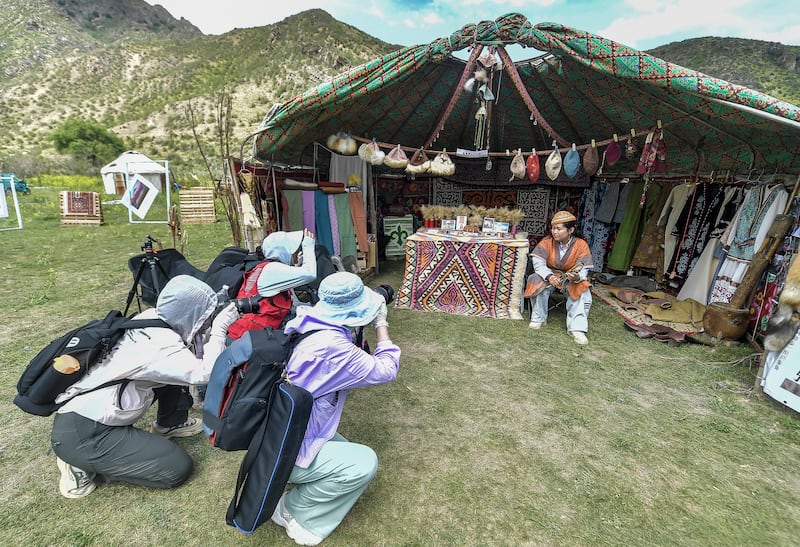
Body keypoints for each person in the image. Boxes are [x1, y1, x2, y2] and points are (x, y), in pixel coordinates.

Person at [50, 275, 240, 499]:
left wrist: (210, 329)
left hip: (87, 411)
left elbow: (189, 357)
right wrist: (219, 330)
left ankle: (170, 423)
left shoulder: (154, 318)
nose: (208, 319)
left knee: (175, 376)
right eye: (206, 315)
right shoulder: (161, 348)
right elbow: (204, 373)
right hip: (85, 431)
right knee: (176, 468)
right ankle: (79, 464)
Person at [270, 271, 401, 545]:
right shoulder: (332, 347)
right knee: (363, 463)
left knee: (341, 447)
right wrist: (381, 324)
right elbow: (386, 370)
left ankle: (303, 485)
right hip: (286, 448)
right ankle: (293, 510)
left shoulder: (309, 320)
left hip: (277, 432)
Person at [226, 229, 318, 340]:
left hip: (247, 333)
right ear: (282, 251)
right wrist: (308, 246)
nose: (293, 254)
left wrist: (298, 265)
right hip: (246, 337)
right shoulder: (272, 270)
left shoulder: (264, 267)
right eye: (292, 251)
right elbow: (310, 274)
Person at [525, 210, 593, 345]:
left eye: (558, 229)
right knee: (536, 279)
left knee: (582, 288)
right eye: (553, 228)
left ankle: (577, 328)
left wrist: (576, 276)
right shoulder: (546, 242)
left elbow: (584, 268)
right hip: (550, 273)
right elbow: (538, 264)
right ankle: (538, 318)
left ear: (570, 230)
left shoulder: (581, 245)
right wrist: (549, 276)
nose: (554, 232)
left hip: (570, 276)